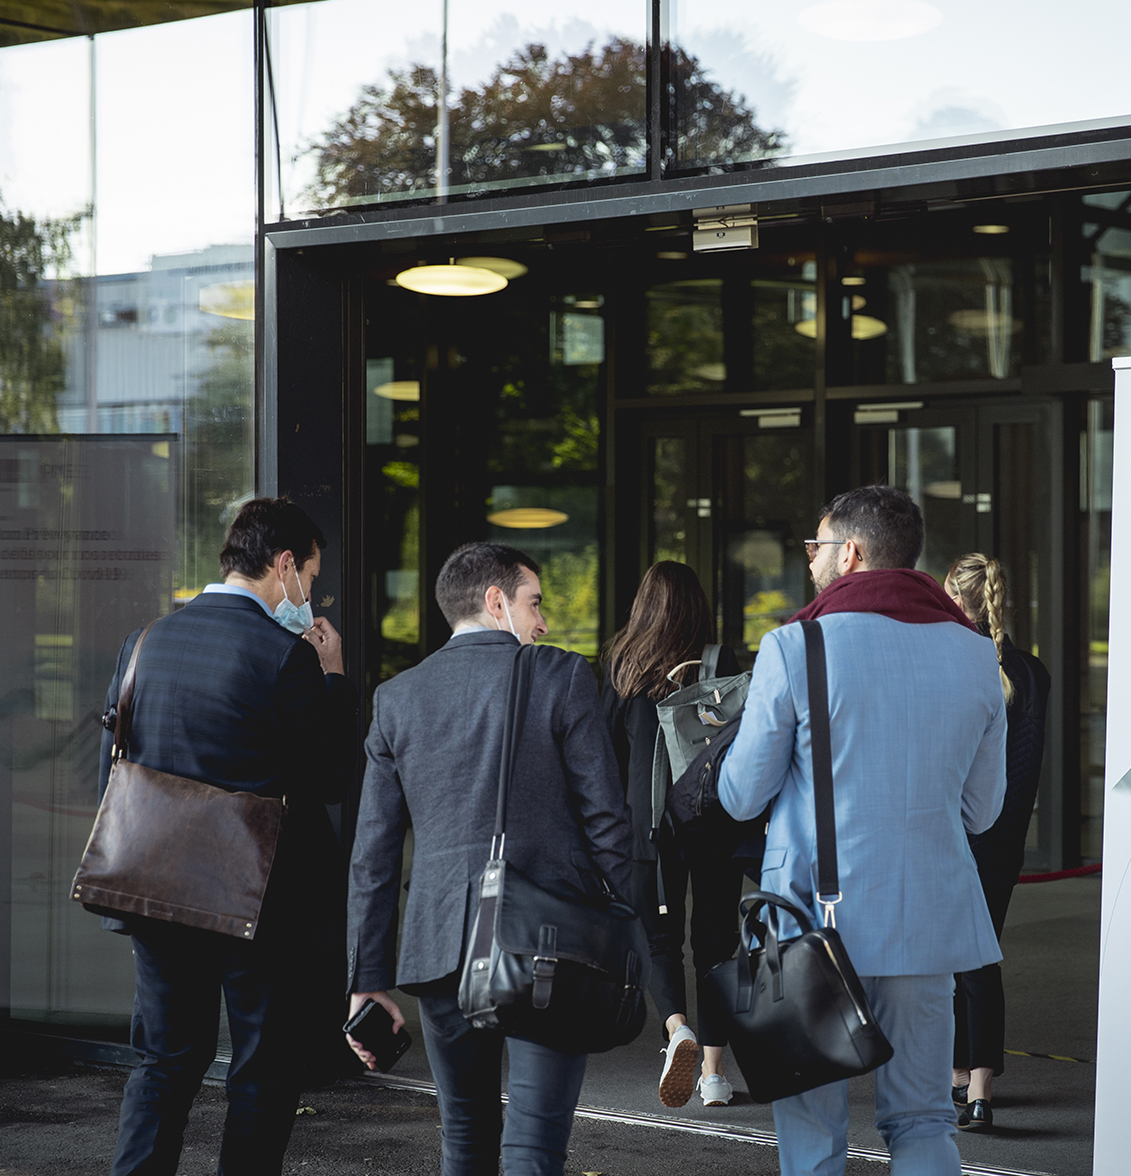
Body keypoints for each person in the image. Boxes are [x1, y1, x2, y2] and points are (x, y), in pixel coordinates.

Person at [717, 485, 1006, 1176]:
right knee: (925, 1118)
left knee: (814, 1127)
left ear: (849, 552)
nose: (810, 559)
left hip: (814, 921)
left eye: (815, 546)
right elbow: (982, 811)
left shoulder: (795, 645)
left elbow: (740, 796)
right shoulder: (974, 653)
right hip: (928, 920)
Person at [345, 542, 634, 1176]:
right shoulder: (561, 676)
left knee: (466, 1138)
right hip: (549, 943)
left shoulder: (397, 698)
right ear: (496, 600)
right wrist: (624, 921)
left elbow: (374, 854)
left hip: (440, 945)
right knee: (534, 1147)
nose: (543, 623)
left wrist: (367, 979)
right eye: (535, 603)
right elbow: (607, 817)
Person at [101, 497, 359, 1176]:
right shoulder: (284, 656)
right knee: (262, 1068)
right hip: (257, 895)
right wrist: (334, 678)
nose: (311, 594)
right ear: (284, 565)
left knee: (164, 1059)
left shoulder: (145, 640)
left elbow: (115, 764)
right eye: (311, 577)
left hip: (157, 883)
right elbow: (329, 776)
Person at [600, 561, 747, 1109]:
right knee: (715, 944)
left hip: (647, 828)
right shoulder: (718, 662)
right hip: (711, 822)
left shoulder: (623, 665)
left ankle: (677, 1028)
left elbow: (604, 756)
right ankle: (713, 1074)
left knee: (658, 940)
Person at [943, 553, 1051, 1131]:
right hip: (1005, 838)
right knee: (981, 953)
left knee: (955, 957)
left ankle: (965, 1077)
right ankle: (974, 1082)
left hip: (957, 830)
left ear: (956, 599)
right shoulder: (1032, 672)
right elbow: (1027, 768)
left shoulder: (953, 665)